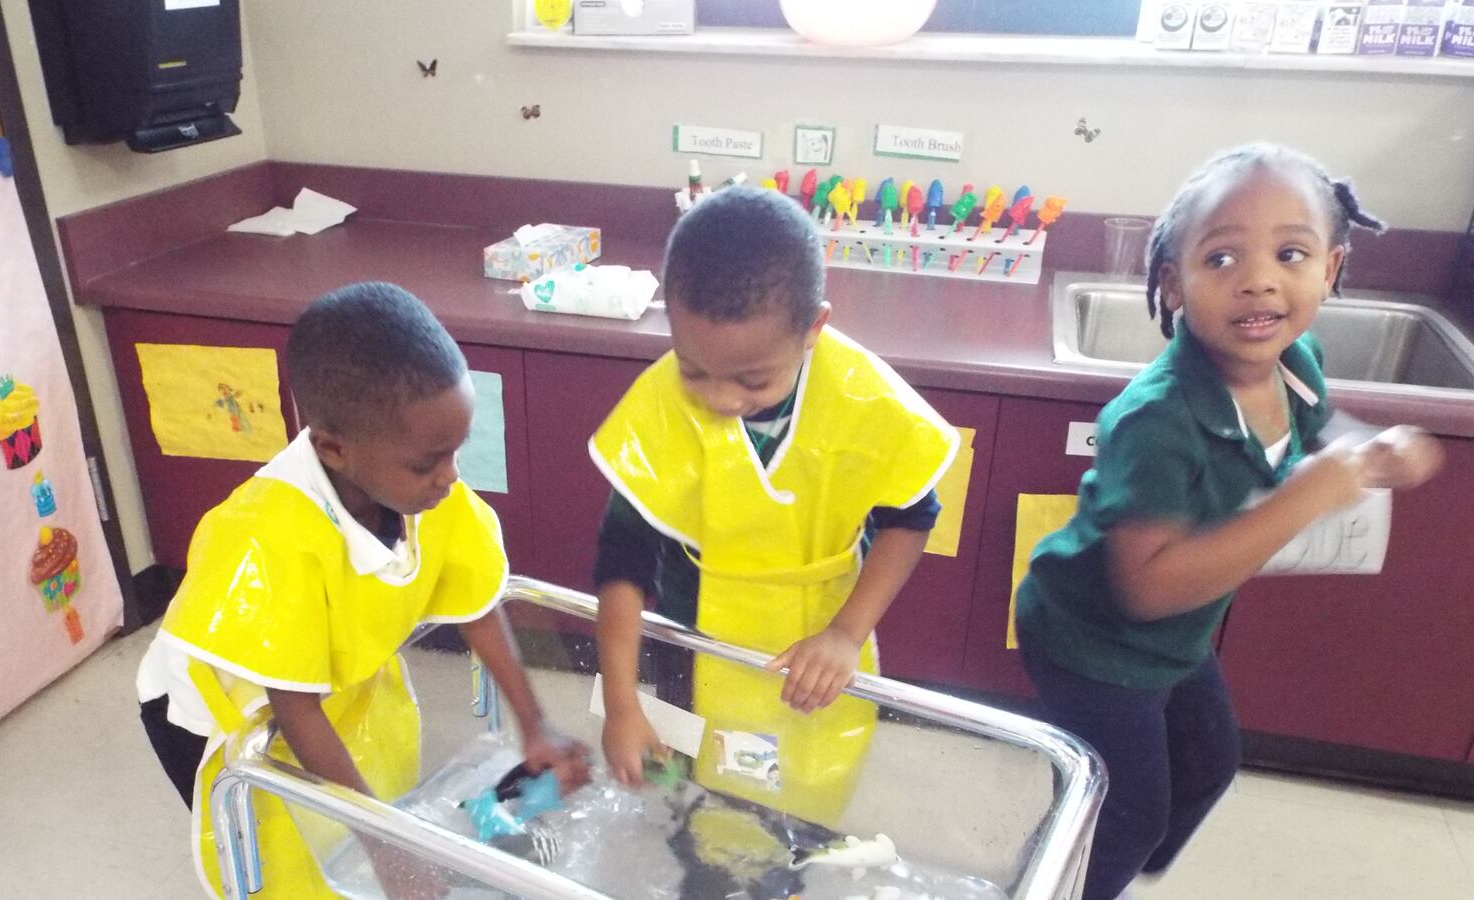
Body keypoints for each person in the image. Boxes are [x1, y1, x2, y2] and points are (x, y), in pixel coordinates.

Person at [1014, 145, 1445, 900]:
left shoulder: (1294, 362)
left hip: (1176, 635)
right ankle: (1061, 874)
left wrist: (1369, 450)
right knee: (1129, 815)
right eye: (1221, 257)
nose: (1259, 279)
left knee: (1210, 764)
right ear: (1174, 286)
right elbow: (1145, 590)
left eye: (1290, 253)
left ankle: (1087, 856)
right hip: (1092, 639)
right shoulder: (1155, 419)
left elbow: (1317, 431)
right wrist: (1302, 498)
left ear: (1331, 269)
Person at [136, 282, 589, 898]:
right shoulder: (268, 535)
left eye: (455, 453)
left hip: (327, 678)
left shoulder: (419, 486)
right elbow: (292, 707)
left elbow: (477, 605)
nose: (449, 477)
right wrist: (384, 846)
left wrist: (535, 725)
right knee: (291, 857)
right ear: (334, 449)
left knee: (368, 818)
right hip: (220, 712)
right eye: (429, 462)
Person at [590, 186, 961, 826]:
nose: (721, 399)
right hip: (694, 626)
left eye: (752, 379)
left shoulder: (861, 397)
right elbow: (621, 559)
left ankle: (789, 852)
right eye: (693, 369)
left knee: (796, 787)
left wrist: (846, 633)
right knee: (695, 780)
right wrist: (623, 705)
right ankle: (696, 853)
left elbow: (910, 515)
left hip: (816, 630)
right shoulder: (662, 404)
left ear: (814, 328)